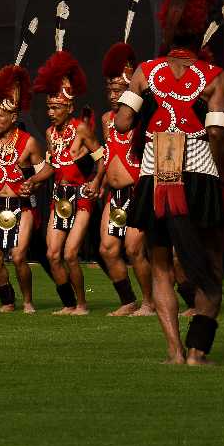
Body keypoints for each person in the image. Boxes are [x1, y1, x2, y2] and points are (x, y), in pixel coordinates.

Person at [114, 0, 224, 365]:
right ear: (200, 32)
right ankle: (199, 351)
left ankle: (174, 351)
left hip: (154, 171)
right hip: (199, 169)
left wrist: (145, 103)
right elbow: (218, 133)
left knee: (160, 263)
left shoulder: (146, 70)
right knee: (209, 262)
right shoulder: (215, 77)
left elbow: (124, 122)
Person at [30, 15, 102, 315]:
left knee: (71, 254)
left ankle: (82, 305)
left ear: (69, 107)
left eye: (56, 107)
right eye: (48, 107)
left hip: (81, 197)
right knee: (52, 254)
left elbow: (103, 157)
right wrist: (34, 181)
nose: (51, 112)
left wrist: (96, 182)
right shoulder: (49, 133)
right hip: (59, 197)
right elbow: (51, 165)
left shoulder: (82, 130)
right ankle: (68, 304)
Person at [90, 36, 155, 316]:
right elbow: (107, 155)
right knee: (107, 249)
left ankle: (151, 303)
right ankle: (128, 301)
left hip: (137, 191)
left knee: (134, 249)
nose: (114, 94)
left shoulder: (141, 119)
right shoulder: (106, 120)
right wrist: (96, 181)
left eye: (119, 89)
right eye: (110, 89)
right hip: (113, 195)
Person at [0, 63, 44, 313]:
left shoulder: (29, 143)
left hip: (21, 205)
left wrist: (33, 181)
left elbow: (46, 169)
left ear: (13, 117)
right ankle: (7, 301)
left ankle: (27, 301)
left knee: (18, 256)